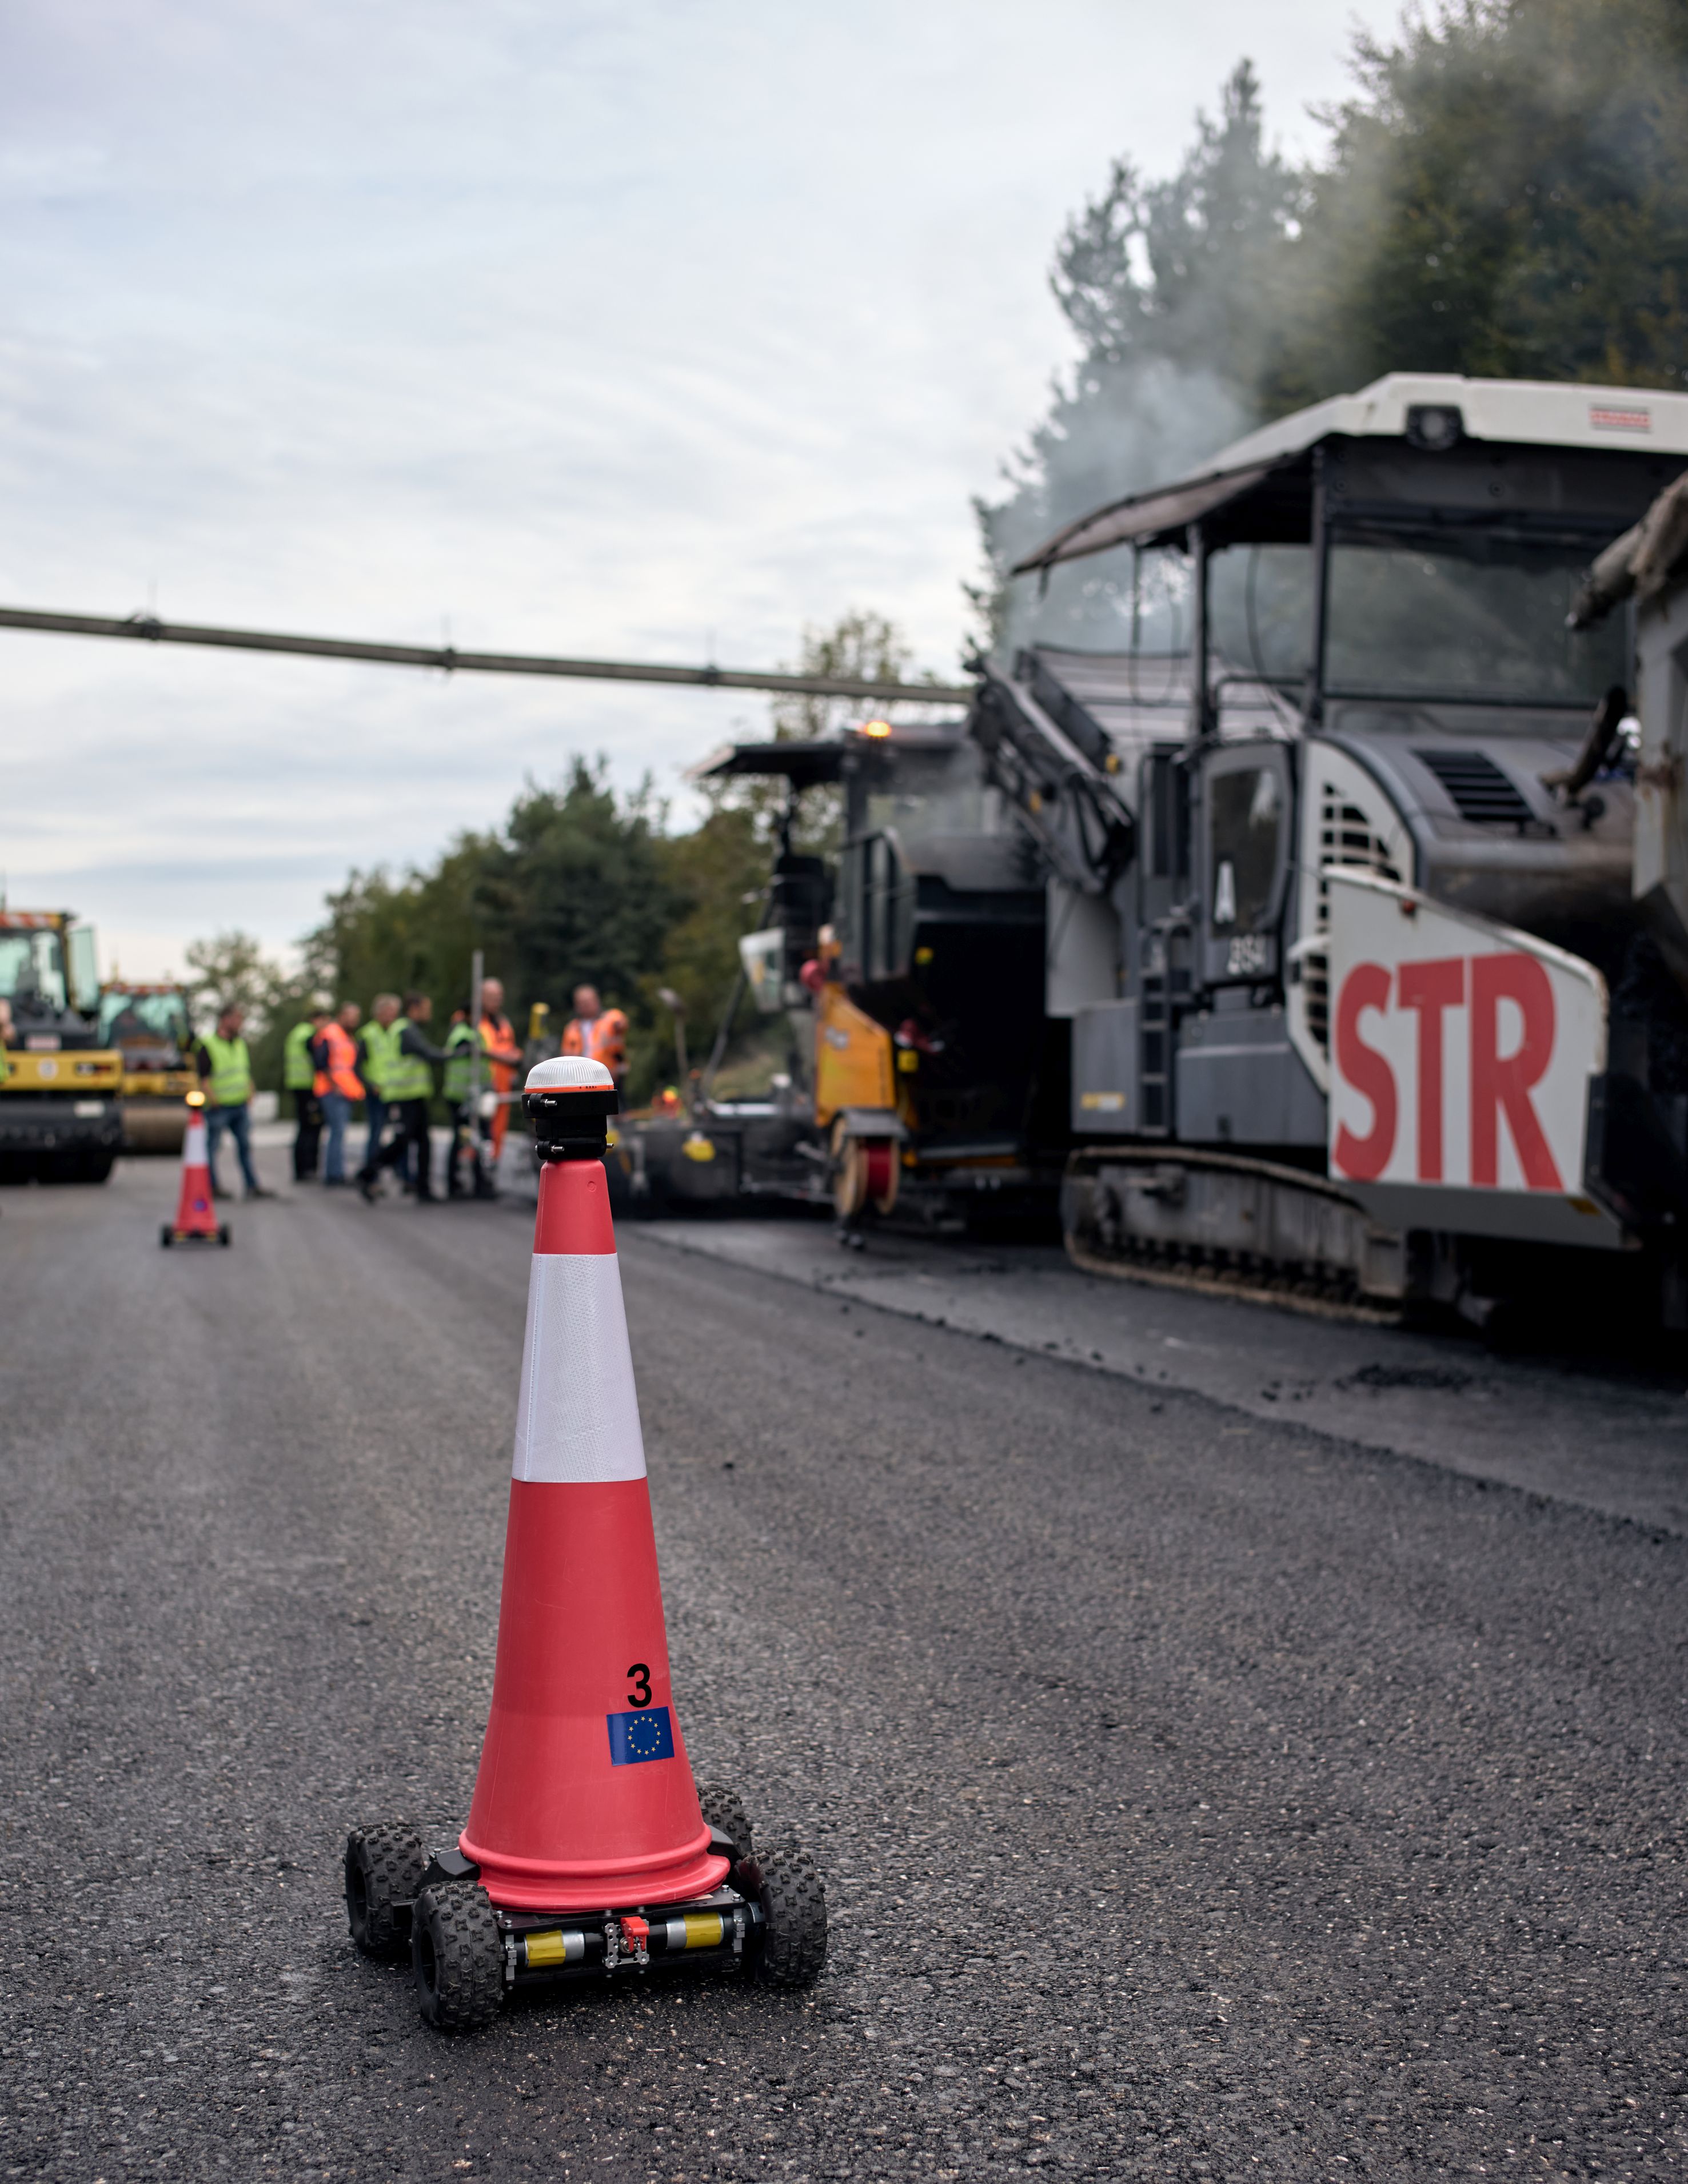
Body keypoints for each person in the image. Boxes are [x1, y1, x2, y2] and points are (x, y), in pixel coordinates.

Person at [359, 992, 451, 1203]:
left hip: (407, 1092)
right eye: (426, 1008)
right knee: (400, 1140)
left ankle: (417, 1185)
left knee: (418, 1141)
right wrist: (455, 1054)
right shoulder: (401, 1030)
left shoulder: (399, 1029)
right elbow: (426, 1053)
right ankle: (369, 1173)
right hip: (400, 1094)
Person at [197, 1002, 273, 1201]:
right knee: (213, 1147)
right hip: (219, 1106)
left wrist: (250, 1090)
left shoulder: (240, 1043)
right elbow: (204, 1078)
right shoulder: (208, 1044)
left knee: (245, 1146)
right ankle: (212, 1186)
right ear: (225, 1020)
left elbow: (243, 1071)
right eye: (237, 1018)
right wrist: (213, 1099)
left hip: (240, 1104)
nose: (241, 1023)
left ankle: (252, 1185)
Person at [311, 1001, 364, 1186]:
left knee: (339, 1132)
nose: (354, 1020)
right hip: (332, 1092)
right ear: (341, 1016)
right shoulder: (330, 1034)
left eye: (356, 1017)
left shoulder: (347, 1036)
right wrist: (335, 1086)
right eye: (351, 1016)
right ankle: (334, 1174)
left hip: (345, 1091)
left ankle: (336, 1172)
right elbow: (321, 1063)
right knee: (337, 1132)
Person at [442, 1003, 490, 1199]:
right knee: (464, 1139)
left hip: (472, 1095)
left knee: (474, 1138)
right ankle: (457, 1184)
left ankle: (475, 1182)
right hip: (461, 1097)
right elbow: (469, 1051)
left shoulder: (473, 1032)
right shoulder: (462, 1034)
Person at [477, 977, 523, 1178]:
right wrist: (506, 1058)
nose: (497, 1001)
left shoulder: (503, 1022)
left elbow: (509, 1046)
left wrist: (516, 1058)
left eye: (499, 997)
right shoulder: (472, 1020)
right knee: (480, 1131)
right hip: (483, 1084)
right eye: (492, 997)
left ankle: (490, 1172)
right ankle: (476, 1171)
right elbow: (478, 1049)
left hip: (503, 1086)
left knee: (498, 1131)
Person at [284, 997, 332, 1182]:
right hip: (307, 1086)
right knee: (311, 1128)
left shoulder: (297, 1032)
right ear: (317, 1020)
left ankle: (302, 1169)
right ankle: (308, 1169)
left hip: (298, 1085)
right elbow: (319, 1060)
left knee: (304, 1127)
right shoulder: (309, 1035)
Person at [357, 993, 403, 1180]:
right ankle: (371, 1173)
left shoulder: (398, 1031)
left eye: (394, 1012)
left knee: (400, 1133)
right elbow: (357, 1067)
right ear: (378, 1012)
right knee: (376, 1132)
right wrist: (370, 1085)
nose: (392, 1016)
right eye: (388, 1012)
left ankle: (401, 1173)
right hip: (376, 1092)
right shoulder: (368, 1034)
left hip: (396, 1091)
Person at [561, 983, 629, 1097]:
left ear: (597, 1001)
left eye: (588, 1001)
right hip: (581, 1078)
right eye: (582, 1003)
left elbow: (621, 1022)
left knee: (616, 1105)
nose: (586, 1005)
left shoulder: (609, 1019)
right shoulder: (572, 1028)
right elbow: (566, 1054)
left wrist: (618, 1026)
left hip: (609, 1075)